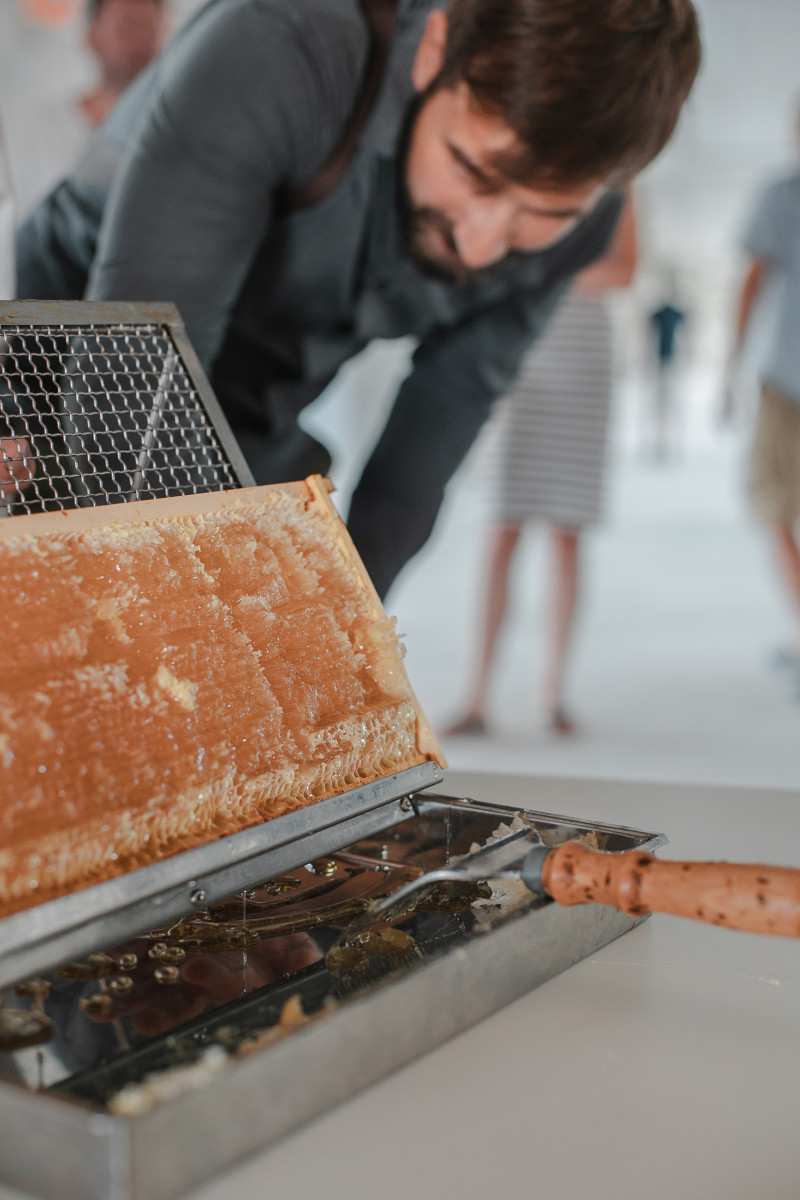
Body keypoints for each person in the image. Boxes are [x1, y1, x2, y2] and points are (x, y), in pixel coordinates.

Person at [14, 0, 701, 598]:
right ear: (434, 51)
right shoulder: (282, 46)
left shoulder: (586, 226)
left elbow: (429, 439)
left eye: (542, 213)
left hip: (255, 393)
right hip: (76, 345)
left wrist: (342, 639)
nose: (483, 246)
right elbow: (129, 387)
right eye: (474, 171)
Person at [445, 196, 637, 737]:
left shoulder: (620, 187)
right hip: (517, 354)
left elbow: (624, 270)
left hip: (582, 363)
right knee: (501, 526)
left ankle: (553, 693)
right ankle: (476, 695)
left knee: (565, 533)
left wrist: (542, 270)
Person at [729, 108, 800, 670]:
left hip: (787, 381)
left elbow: (752, 284)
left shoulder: (783, 195)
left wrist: (732, 366)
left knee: (774, 504)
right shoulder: (780, 194)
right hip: (785, 377)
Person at [2, 0, 166, 220]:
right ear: (92, 37)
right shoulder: (37, 133)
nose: (140, 43)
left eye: (151, 29)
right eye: (126, 28)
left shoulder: (172, 135)